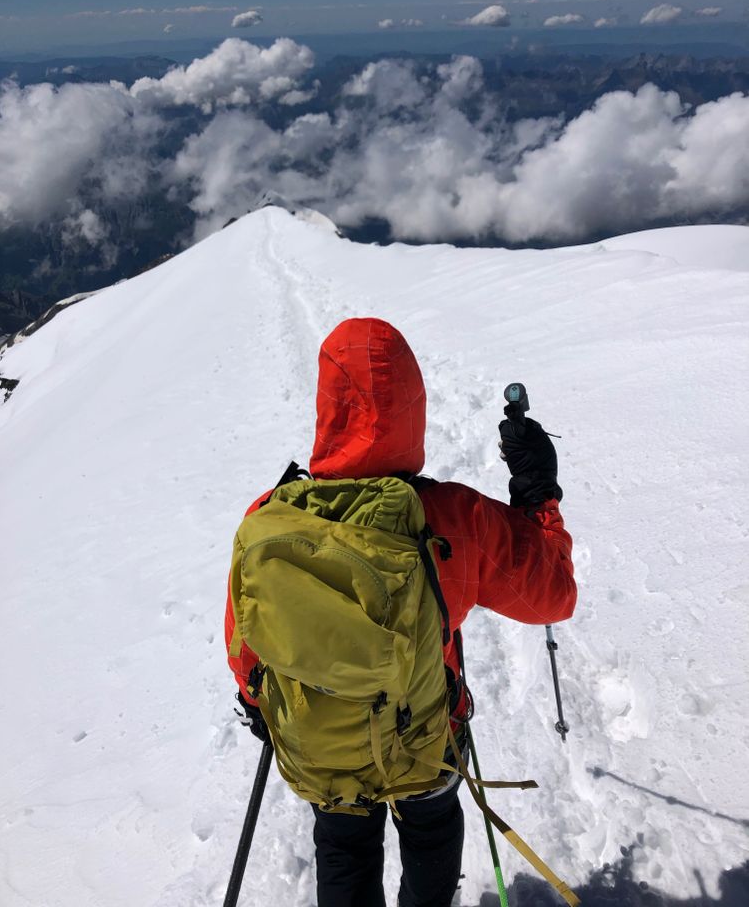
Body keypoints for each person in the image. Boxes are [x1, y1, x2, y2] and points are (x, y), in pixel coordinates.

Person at [225, 317, 576, 907]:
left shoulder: (273, 517)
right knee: (432, 833)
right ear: (415, 407)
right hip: (424, 745)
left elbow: (246, 639)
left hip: (324, 754)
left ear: (327, 406)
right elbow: (554, 594)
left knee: (343, 847)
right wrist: (538, 494)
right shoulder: (452, 518)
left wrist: (261, 704)